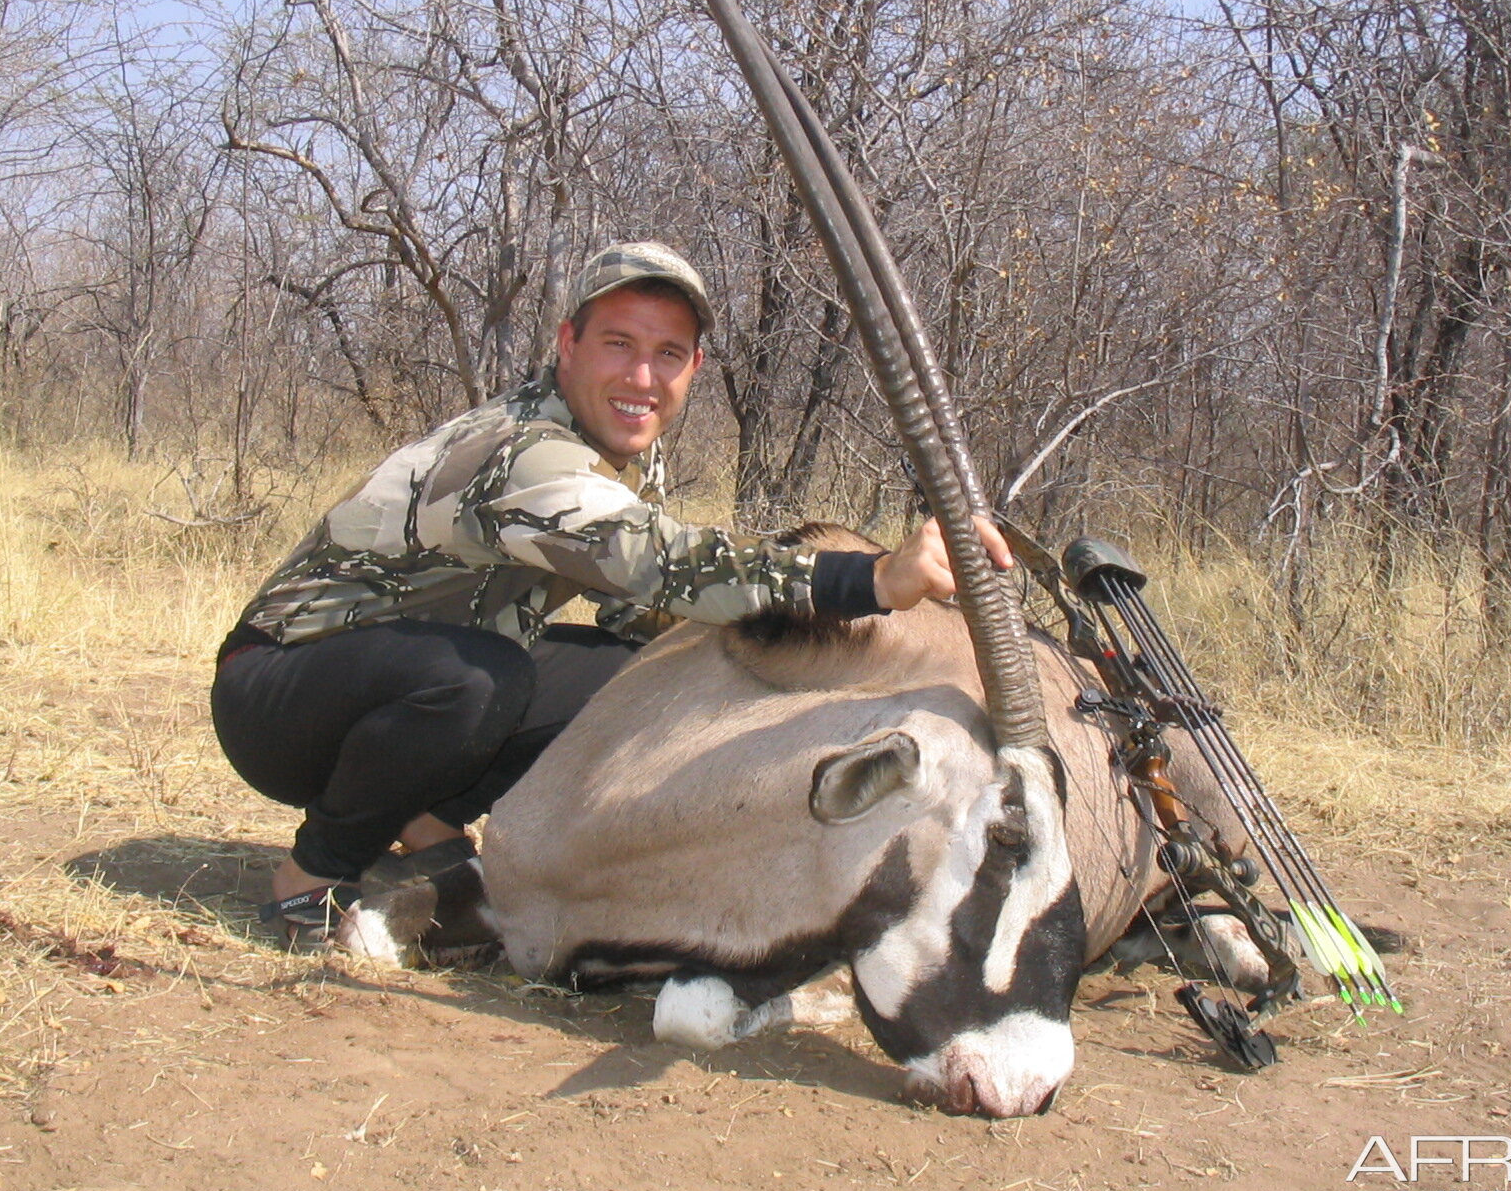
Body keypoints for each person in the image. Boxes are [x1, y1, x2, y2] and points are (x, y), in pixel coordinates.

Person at [210, 241, 1011, 947]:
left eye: (668, 353)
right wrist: (870, 581)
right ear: (567, 345)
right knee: (483, 678)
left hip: (398, 685)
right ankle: (311, 877)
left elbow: (645, 615)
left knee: (626, 679)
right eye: (618, 344)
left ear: (695, 368)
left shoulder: (627, 452)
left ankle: (415, 815)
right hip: (277, 694)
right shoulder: (523, 453)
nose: (642, 376)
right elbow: (656, 562)